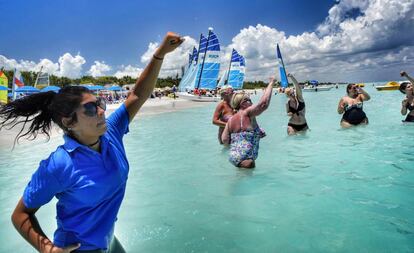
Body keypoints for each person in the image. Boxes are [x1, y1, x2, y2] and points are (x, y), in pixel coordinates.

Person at [0, 32, 183, 253]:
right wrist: (48, 249)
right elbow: (20, 215)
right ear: (69, 122)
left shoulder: (111, 133)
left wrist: (159, 55)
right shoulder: (58, 164)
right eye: (90, 109)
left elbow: (136, 95)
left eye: (100, 104)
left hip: (109, 241)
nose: (101, 112)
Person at [221, 78, 274, 168]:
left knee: (241, 178)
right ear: (242, 103)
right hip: (247, 159)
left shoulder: (230, 120)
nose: (252, 103)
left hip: (234, 157)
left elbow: (225, 140)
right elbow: (263, 104)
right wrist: (271, 83)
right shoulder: (247, 113)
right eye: (249, 100)